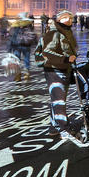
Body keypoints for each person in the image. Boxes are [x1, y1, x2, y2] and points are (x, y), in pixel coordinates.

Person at [39, 10, 79, 140]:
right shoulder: (54, 32)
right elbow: (47, 53)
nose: (69, 20)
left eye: (70, 18)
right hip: (54, 70)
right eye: (65, 18)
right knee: (59, 100)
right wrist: (65, 59)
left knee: (57, 100)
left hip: (63, 69)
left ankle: (54, 127)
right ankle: (64, 127)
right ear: (58, 20)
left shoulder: (66, 31)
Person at [8, 12, 36, 80]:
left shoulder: (16, 27)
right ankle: (23, 74)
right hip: (22, 46)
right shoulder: (28, 26)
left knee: (21, 60)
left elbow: (11, 38)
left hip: (20, 46)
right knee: (22, 60)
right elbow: (11, 38)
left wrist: (9, 48)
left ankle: (22, 74)